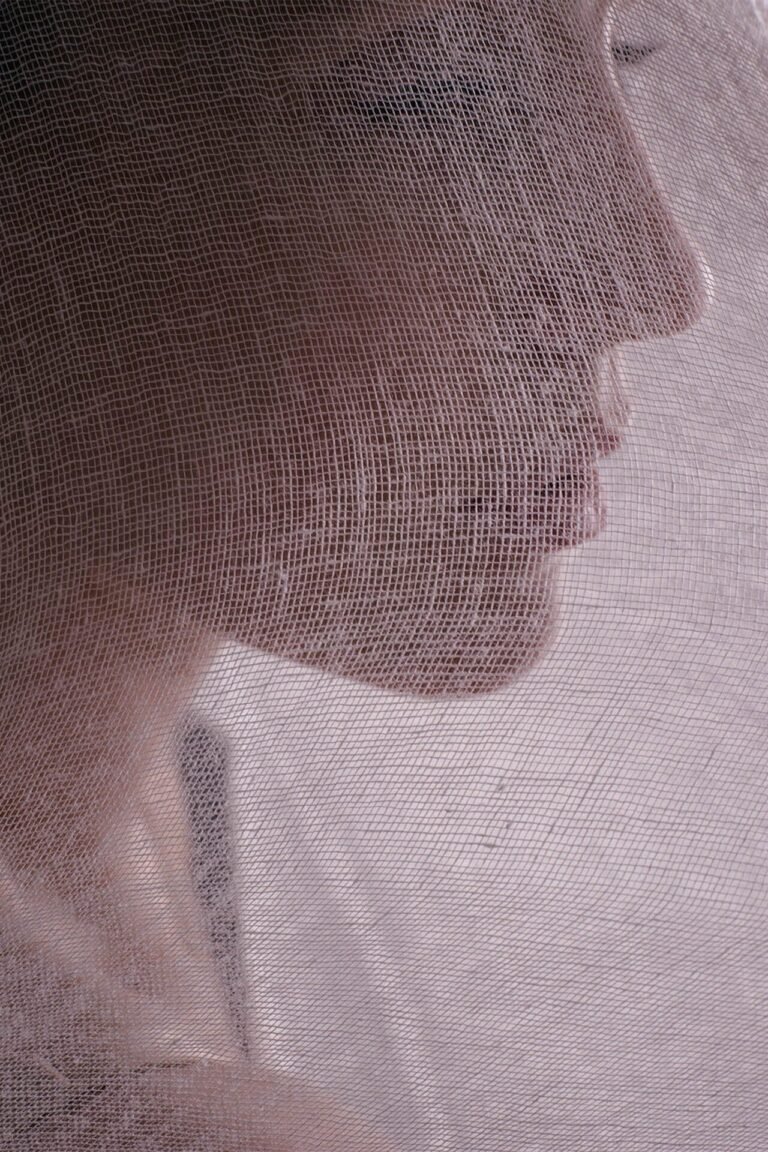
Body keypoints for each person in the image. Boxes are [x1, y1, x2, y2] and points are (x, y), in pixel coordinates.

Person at [0, 1, 709, 1145]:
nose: (662, 281)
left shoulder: (170, 786)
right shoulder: (101, 1110)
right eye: (439, 95)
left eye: (623, 57)